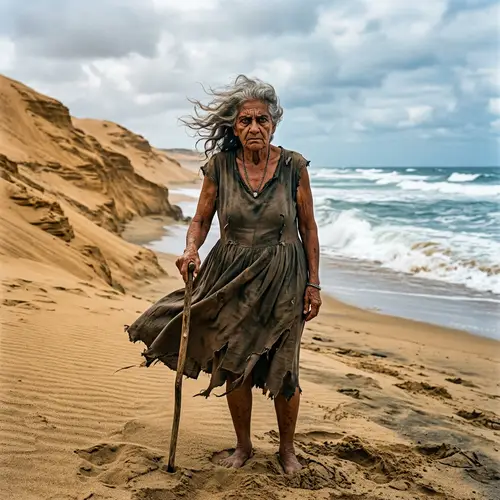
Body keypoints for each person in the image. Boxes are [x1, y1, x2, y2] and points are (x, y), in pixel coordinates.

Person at [126, 75, 321, 474]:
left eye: (262, 120)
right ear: (234, 126)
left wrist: (314, 283)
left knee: (284, 365)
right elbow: (200, 218)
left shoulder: (293, 166)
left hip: (285, 275)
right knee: (235, 362)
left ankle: (287, 451)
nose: (254, 128)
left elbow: (309, 227)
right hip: (230, 274)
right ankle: (243, 446)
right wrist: (190, 248)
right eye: (246, 121)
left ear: (274, 123)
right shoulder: (219, 167)